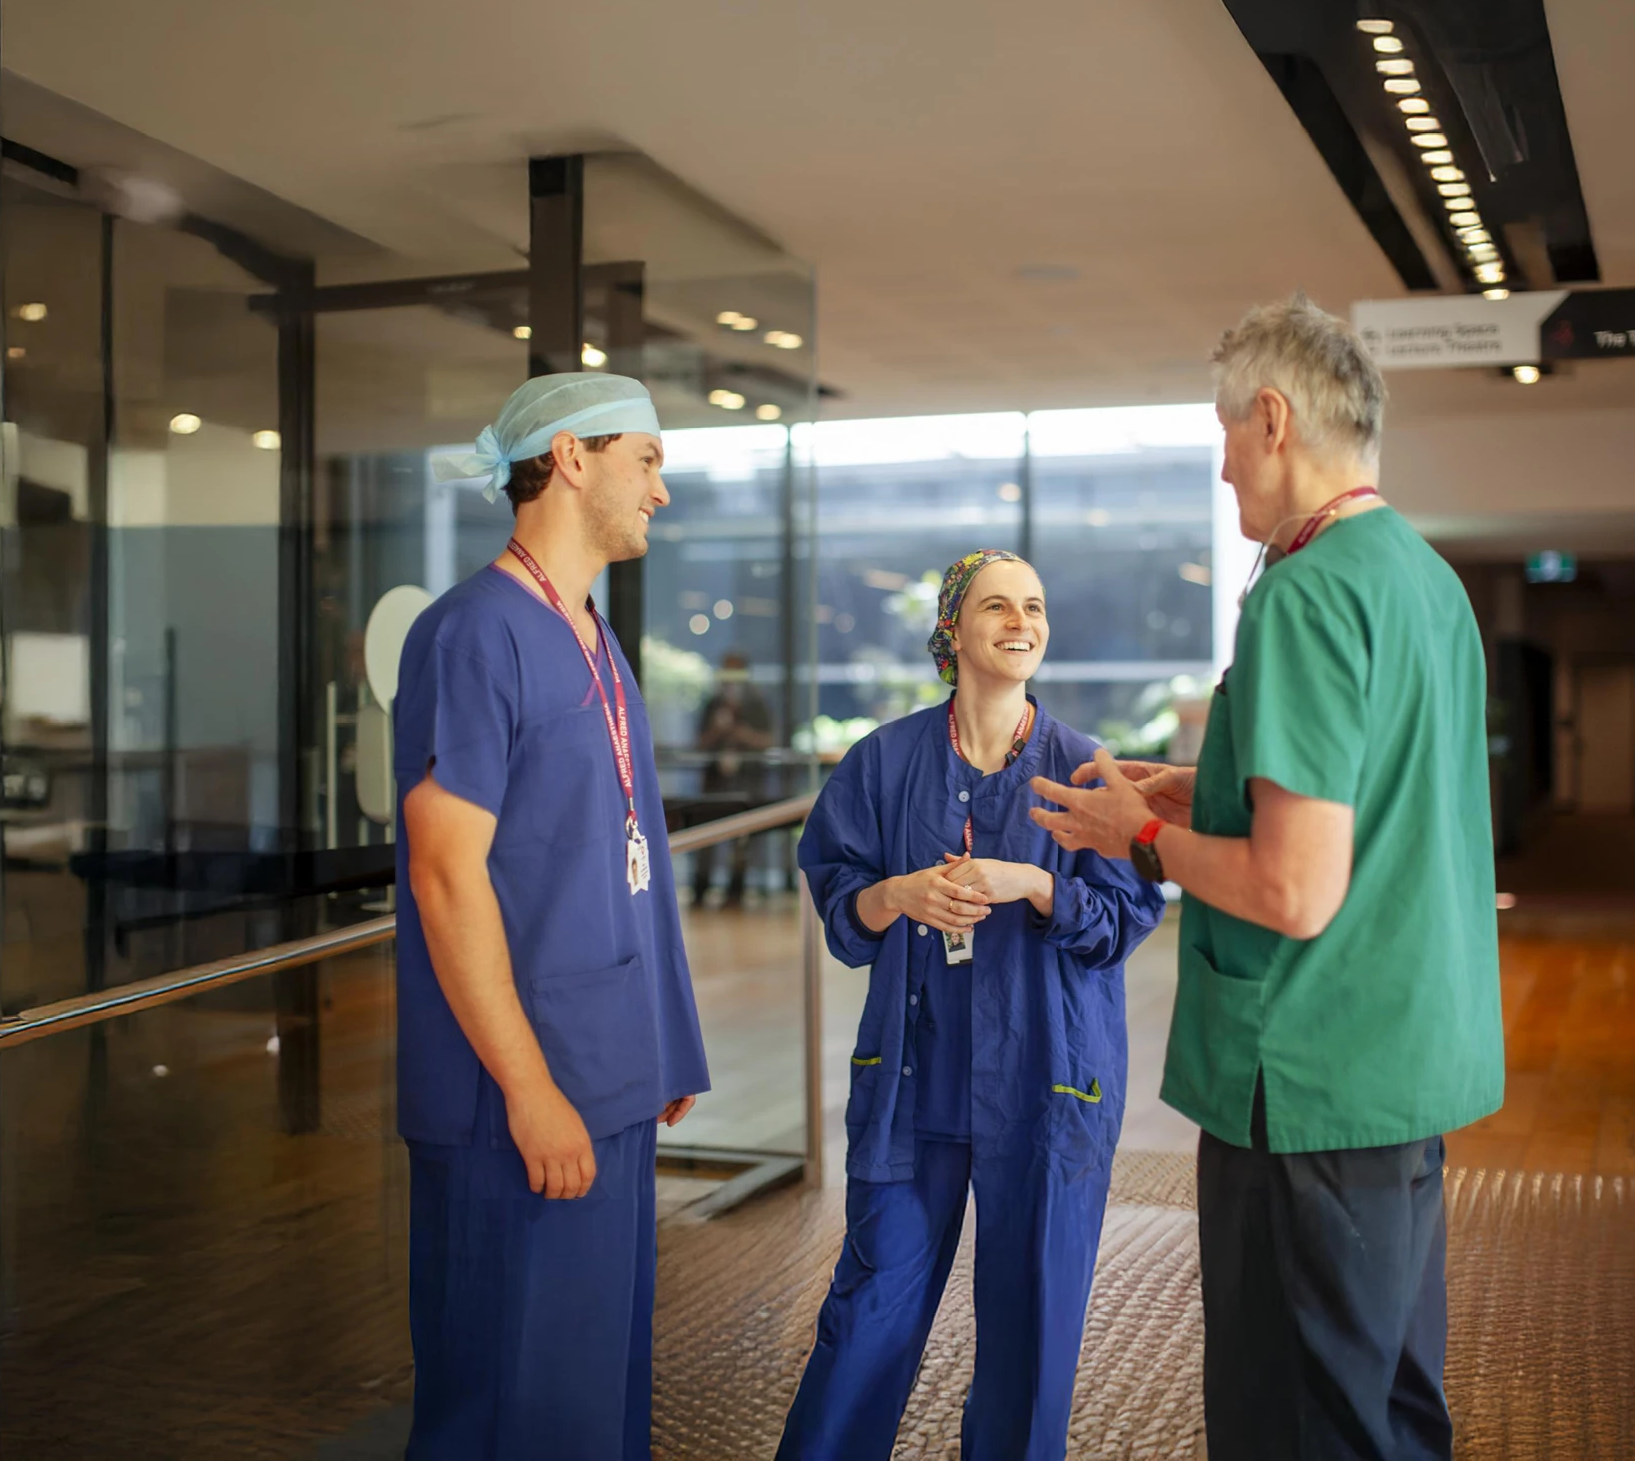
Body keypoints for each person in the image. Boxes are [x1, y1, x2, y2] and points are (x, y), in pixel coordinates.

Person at [1029, 294, 1502, 1460]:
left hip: (1303, 1080)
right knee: (1385, 1400)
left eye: (1224, 429)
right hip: (1399, 1067)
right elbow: (1374, 805)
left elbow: (1293, 891)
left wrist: (1127, 836)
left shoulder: (1302, 590)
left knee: (1293, 1417)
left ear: (1273, 419)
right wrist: (1207, 788)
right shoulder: (1421, 581)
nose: (1223, 460)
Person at [777, 549, 1163, 1460]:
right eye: (997, 605)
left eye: (1033, 605)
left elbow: (1128, 918)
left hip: (1046, 1086)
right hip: (916, 1087)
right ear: (952, 629)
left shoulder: (1082, 769)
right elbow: (842, 905)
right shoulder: (882, 762)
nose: (1020, 621)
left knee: (1032, 1329)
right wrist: (898, 895)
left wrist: (1039, 883)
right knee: (867, 1313)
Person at [394, 371, 709, 1460]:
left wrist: (654, 1042)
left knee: (590, 1400)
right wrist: (529, 1090)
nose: (660, 490)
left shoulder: (592, 638)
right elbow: (446, 874)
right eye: (647, 460)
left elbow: (621, 857)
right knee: (507, 1408)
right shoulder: (471, 634)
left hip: (606, 1080)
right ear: (569, 456)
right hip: (511, 1103)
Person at [690, 649, 776, 908]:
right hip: (714, 786)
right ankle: (700, 889)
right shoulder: (712, 704)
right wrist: (717, 731)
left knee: (741, 842)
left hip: (746, 785)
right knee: (706, 838)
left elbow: (768, 741)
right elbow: (699, 743)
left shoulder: (757, 705)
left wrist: (740, 733)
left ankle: (735, 891)